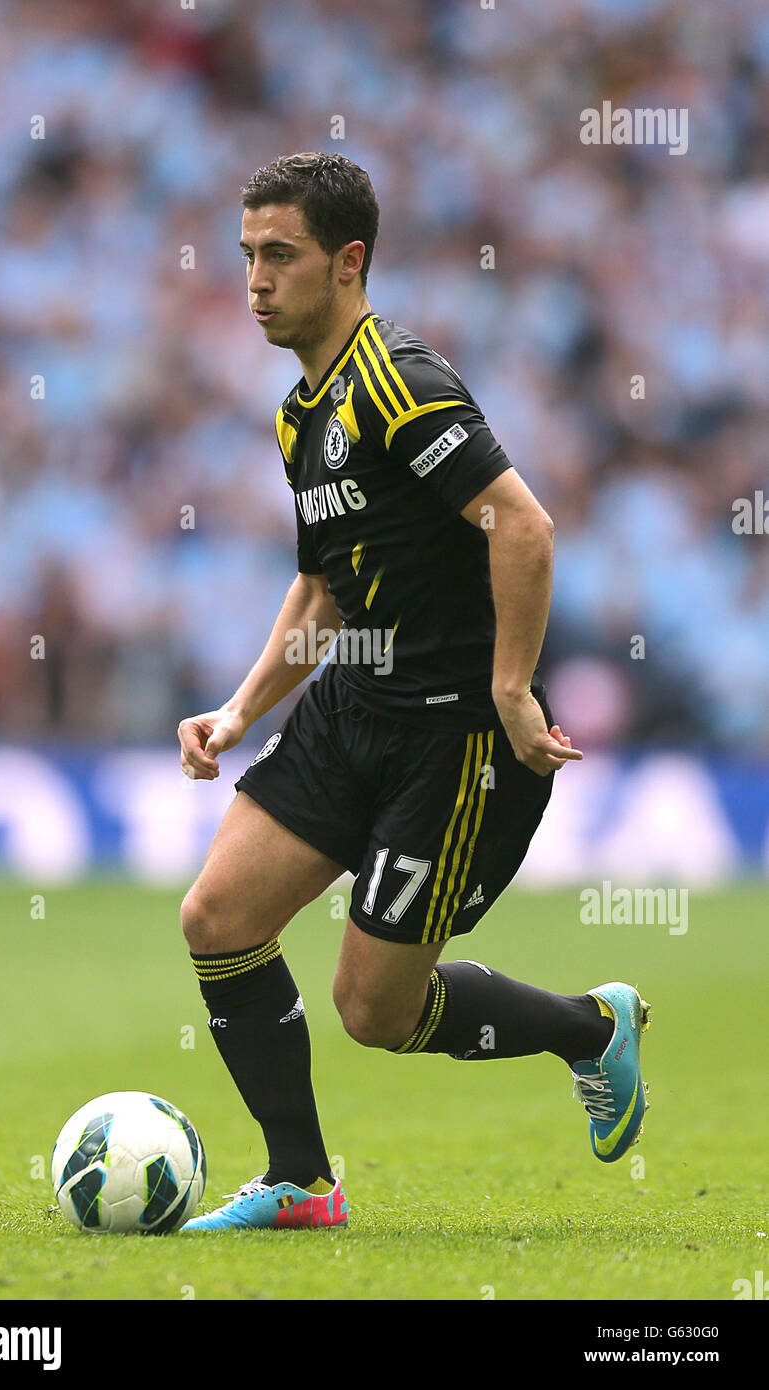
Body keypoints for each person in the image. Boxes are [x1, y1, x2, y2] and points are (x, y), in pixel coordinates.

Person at [176, 152, 650, 1232]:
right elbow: (321, 591)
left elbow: (520, 522)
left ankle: (589, 1027)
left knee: (371, 1011)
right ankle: (299, 1181)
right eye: (246, 255)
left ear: (348, 263)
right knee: (217, 915)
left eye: (279, 255)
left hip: (451, 738)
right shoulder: (301, 414)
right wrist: (242, 710)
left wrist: (511, 689)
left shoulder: (403, 384)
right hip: (351, 707)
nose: (254, 278)